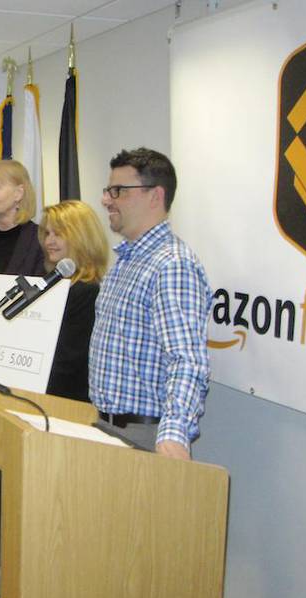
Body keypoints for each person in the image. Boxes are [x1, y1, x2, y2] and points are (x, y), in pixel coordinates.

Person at [89, 148, 213, 460]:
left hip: (144, 438)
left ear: (155, 196)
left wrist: (174, 433)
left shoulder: (171, 265)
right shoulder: (127, 261)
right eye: (108, 190)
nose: (106, 200)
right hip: (105, 426)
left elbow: (186, 360)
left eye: (118, 191)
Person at [38, 200, 109, 402]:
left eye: (58, 234)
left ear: (81, 237)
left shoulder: (87, 293)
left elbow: (68, 360)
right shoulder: (53, 285)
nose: (48, 241)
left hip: (66, 403)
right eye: (47, 233)